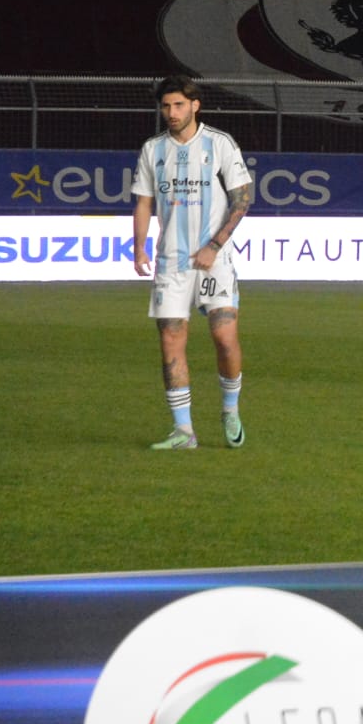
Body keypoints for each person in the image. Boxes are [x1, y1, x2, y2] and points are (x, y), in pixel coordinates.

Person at [131, 75, 253, 450]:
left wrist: (214, 245)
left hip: (214, 260)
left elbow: (243, 198)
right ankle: (184, 431)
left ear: (195, 105)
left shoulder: (219, 144)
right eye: (166, 106)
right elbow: (144, 202)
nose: (171, 112)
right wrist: (139, 249)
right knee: (170, 340)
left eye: (179, 105)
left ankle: (230, 409)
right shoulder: (153, 149)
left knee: (224, 337)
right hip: (171, 262)